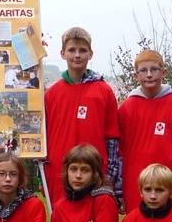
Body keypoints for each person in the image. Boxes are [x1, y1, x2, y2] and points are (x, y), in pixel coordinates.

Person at [43, 27, 119, 209]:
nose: (77, 55)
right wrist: (43, 174)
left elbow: (112, 138)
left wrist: (110, 174)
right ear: (63, 53)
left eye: (82, 50)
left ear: (90, 54)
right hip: (58, 173)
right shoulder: (51, 94)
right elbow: (42, 139)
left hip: (94, 172)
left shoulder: (104, 91)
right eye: (72, 50)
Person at [116, 49, 172, 213]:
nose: (149, 75)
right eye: (143, 71)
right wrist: (118, 188)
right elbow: (119, 153)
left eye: (154, 69)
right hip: (135, 184)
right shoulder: (126, 108)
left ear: (164, 72)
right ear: (136, 76)